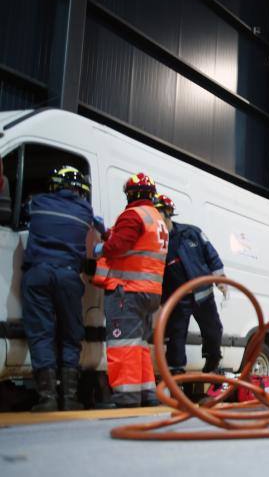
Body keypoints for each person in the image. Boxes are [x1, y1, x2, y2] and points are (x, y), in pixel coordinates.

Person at [21, 166, 101, 411]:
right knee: (70, 334)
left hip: (38, 274)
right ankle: (70, 397)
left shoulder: (37, 202)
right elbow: (104, 231)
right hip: (68, 276)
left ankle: (47, 398)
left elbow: (22, 215)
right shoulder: (86, 211)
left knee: (41, 333)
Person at [91, 173, 167, 407]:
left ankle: (126, 396)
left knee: (123, 343)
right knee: (139, 344)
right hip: (150, 292)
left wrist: (99, 247)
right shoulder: (156, 218)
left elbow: (117, 247)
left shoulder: (133, 215)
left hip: (128, 290)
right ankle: (146, 393)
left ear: (131, 194)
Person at [154, 194, 226, 375]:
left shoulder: (191, 233)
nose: (155, 218)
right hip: (177, 299)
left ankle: (212, 358)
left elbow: (211, 254)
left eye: (158, 212)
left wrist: (220, 279)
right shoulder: (156, 241)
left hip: (202, 293)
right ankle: (176, 375)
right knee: (176, 337)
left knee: (213, 330)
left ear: (168, 213)